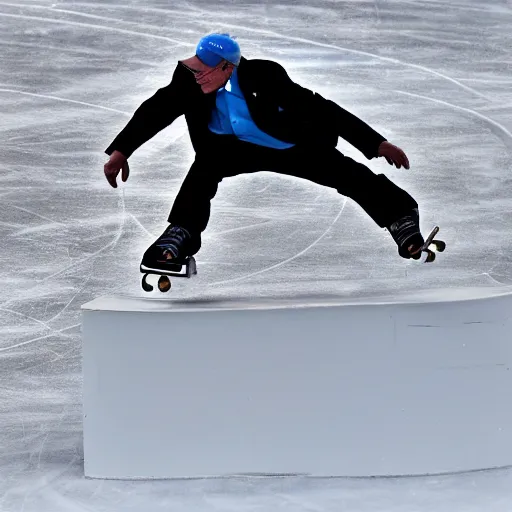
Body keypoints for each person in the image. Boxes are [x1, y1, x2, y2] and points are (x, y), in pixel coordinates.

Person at [104, 33, 425, 273]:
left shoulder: (265, 75)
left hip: (288, 144)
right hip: (230, 149)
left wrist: (375, 143)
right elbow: (157, 109)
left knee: (344, 173)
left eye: (206, 68)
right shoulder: (189, 81)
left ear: (228, 68)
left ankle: (400, 216)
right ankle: (181, 234)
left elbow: (318, 107)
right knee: (202, 172)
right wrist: (122, 150)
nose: (198, 73)